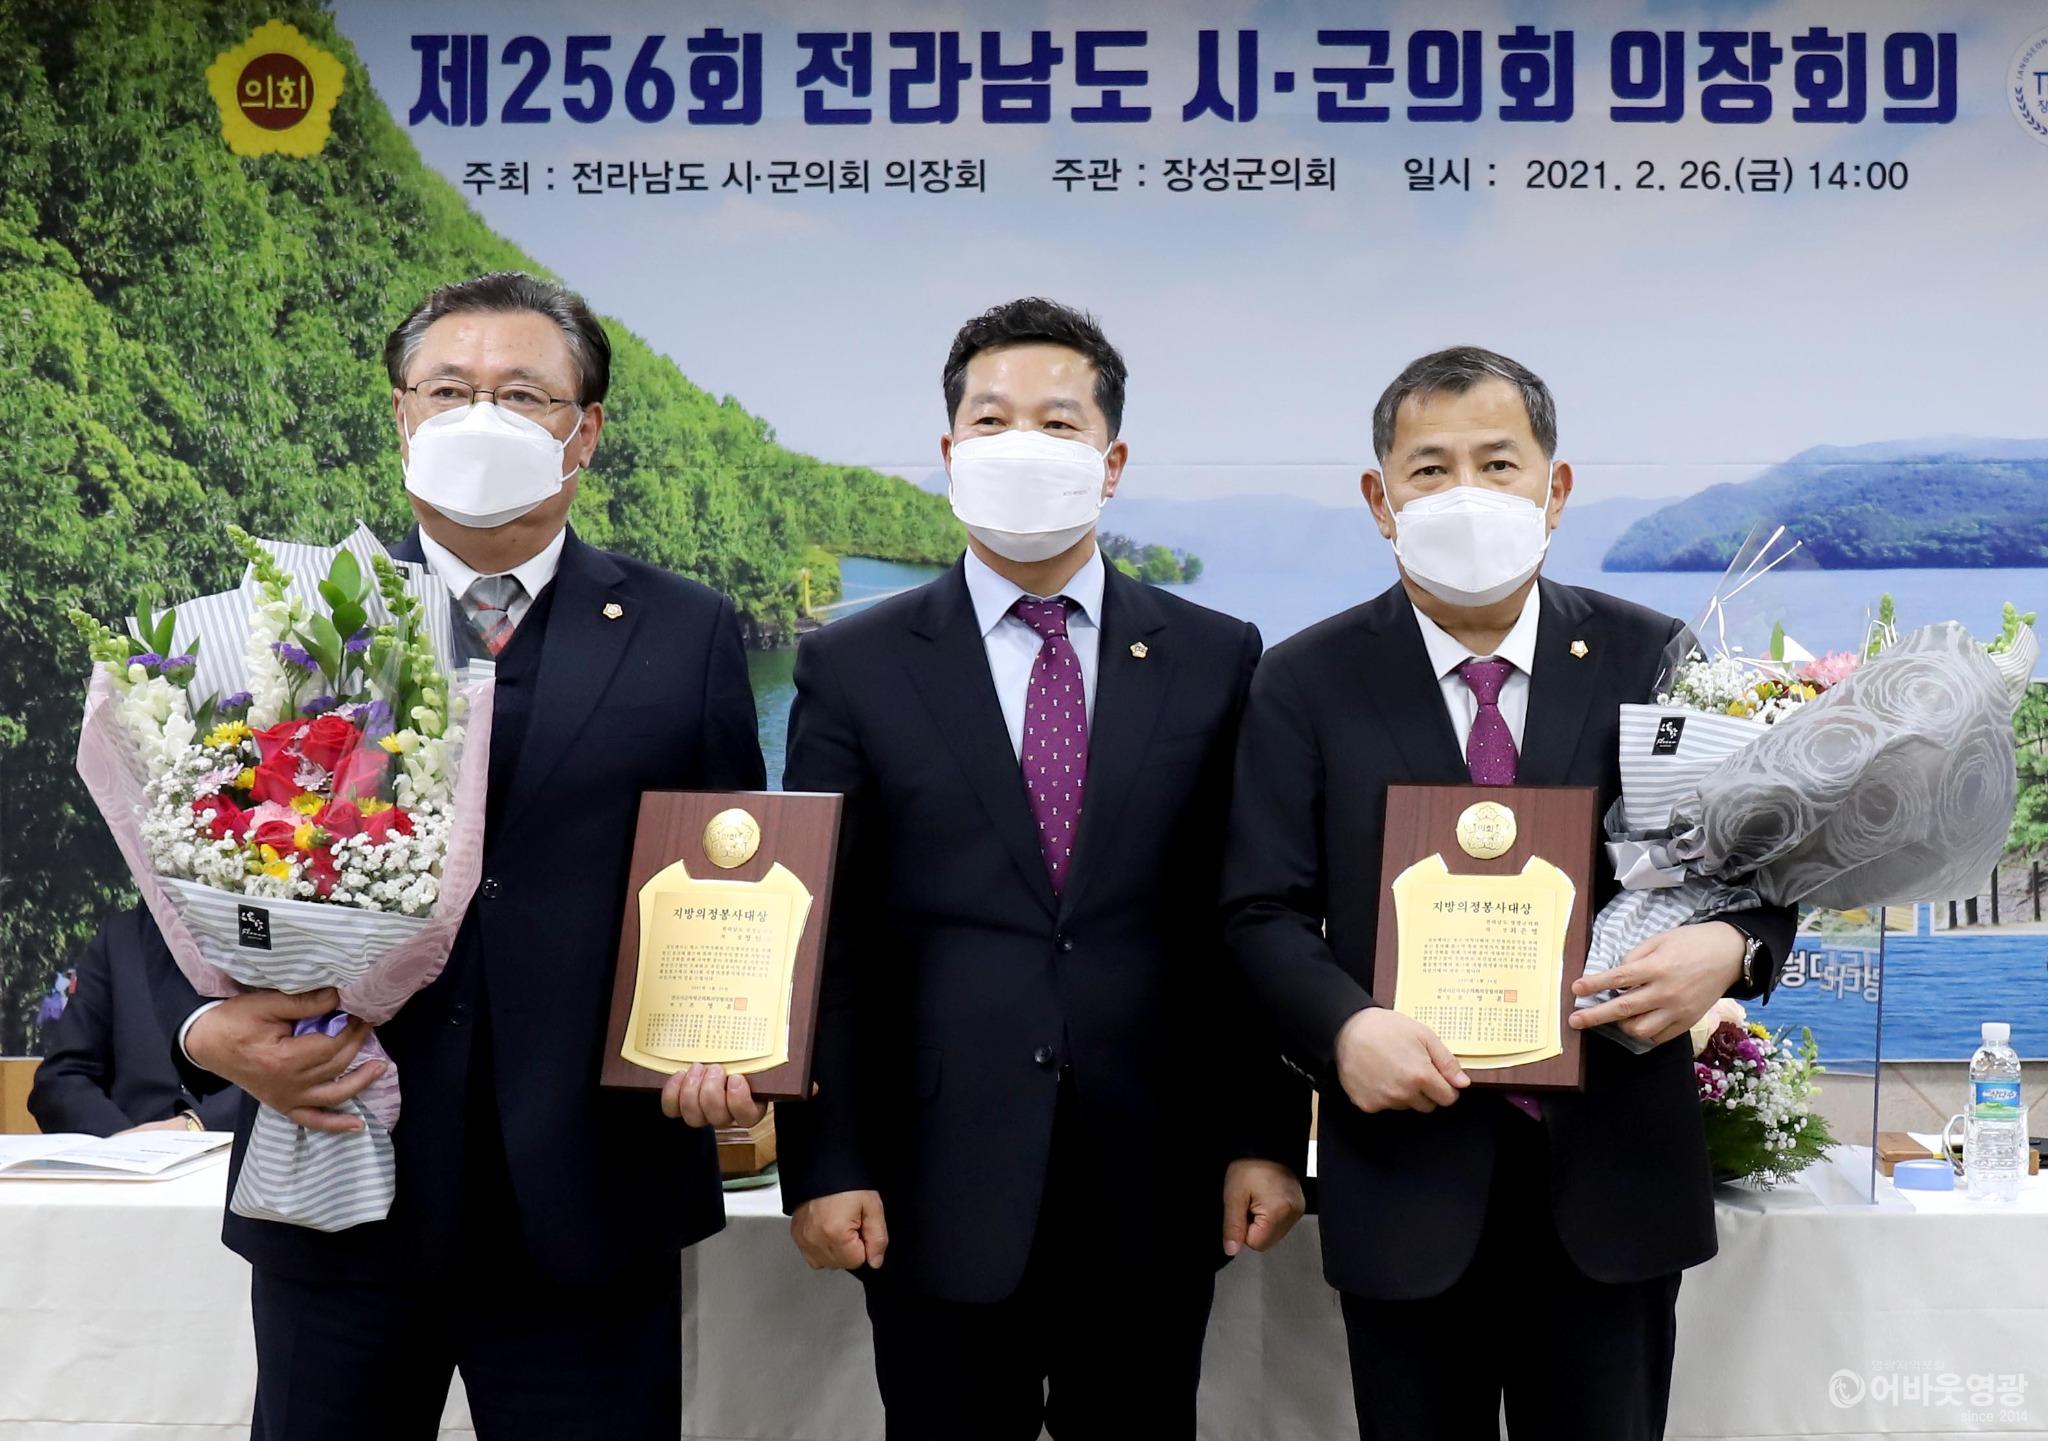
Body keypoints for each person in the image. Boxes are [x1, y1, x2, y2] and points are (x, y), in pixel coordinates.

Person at [149, 271, 766, 1441]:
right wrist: (202, 1032)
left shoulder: (683, 627)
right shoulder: (295, 620)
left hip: (591, 1194)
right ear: (400, 414)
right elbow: (176, 863)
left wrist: (726, 1040)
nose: (481, 416)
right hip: (339, 1164)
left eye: (522, 394)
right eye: (448, 389)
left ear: (583, 431)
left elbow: (729, 873)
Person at [1221, 346, 1795, 1441]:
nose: (1466, 494)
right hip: (1405, 1177)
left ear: (1554, 487)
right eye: (1429, 469)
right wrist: (1344, 1029)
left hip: (1613, 1179)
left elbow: (1755, 870)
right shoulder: (1302, 680)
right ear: (1379, 499)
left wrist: (1728, 948)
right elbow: (1257, 911)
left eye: (1497, 463)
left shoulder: (1654, 658)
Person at [777, 297, 1308, 1441]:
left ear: (1110, 461)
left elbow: (1248, 917)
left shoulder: (1214, 655)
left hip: (1155, 1174)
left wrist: (1264, 1135)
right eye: (992, 419)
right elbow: (828, 937)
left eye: (1057, 423)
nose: (1021, 444)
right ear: (948, 451)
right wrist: (824, 1159)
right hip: (930, 1178)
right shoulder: (854, 665)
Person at [28, 906, 243, 1136]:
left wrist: (199, 1124)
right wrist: (126, 1143)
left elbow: (272, 1068)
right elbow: (61, 1079)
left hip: (244, 1147)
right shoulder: (121, 935)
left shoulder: (258, 930)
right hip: (125, 1144)